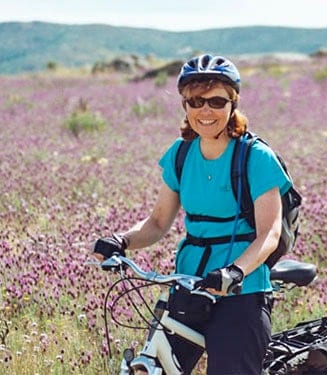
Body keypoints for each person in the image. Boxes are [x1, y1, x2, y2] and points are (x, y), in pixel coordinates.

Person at [93, 54, 292, 374]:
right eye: (196, 101)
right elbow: (158, 222)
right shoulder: (180, 153)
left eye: (216, 100)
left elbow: (268, 233)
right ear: (185, 105)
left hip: (242, 291)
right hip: (189, 285)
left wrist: (235, 272)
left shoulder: (255, 157)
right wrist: (121, 241)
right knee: (149, 368)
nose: (206, 110)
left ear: (232, 103)